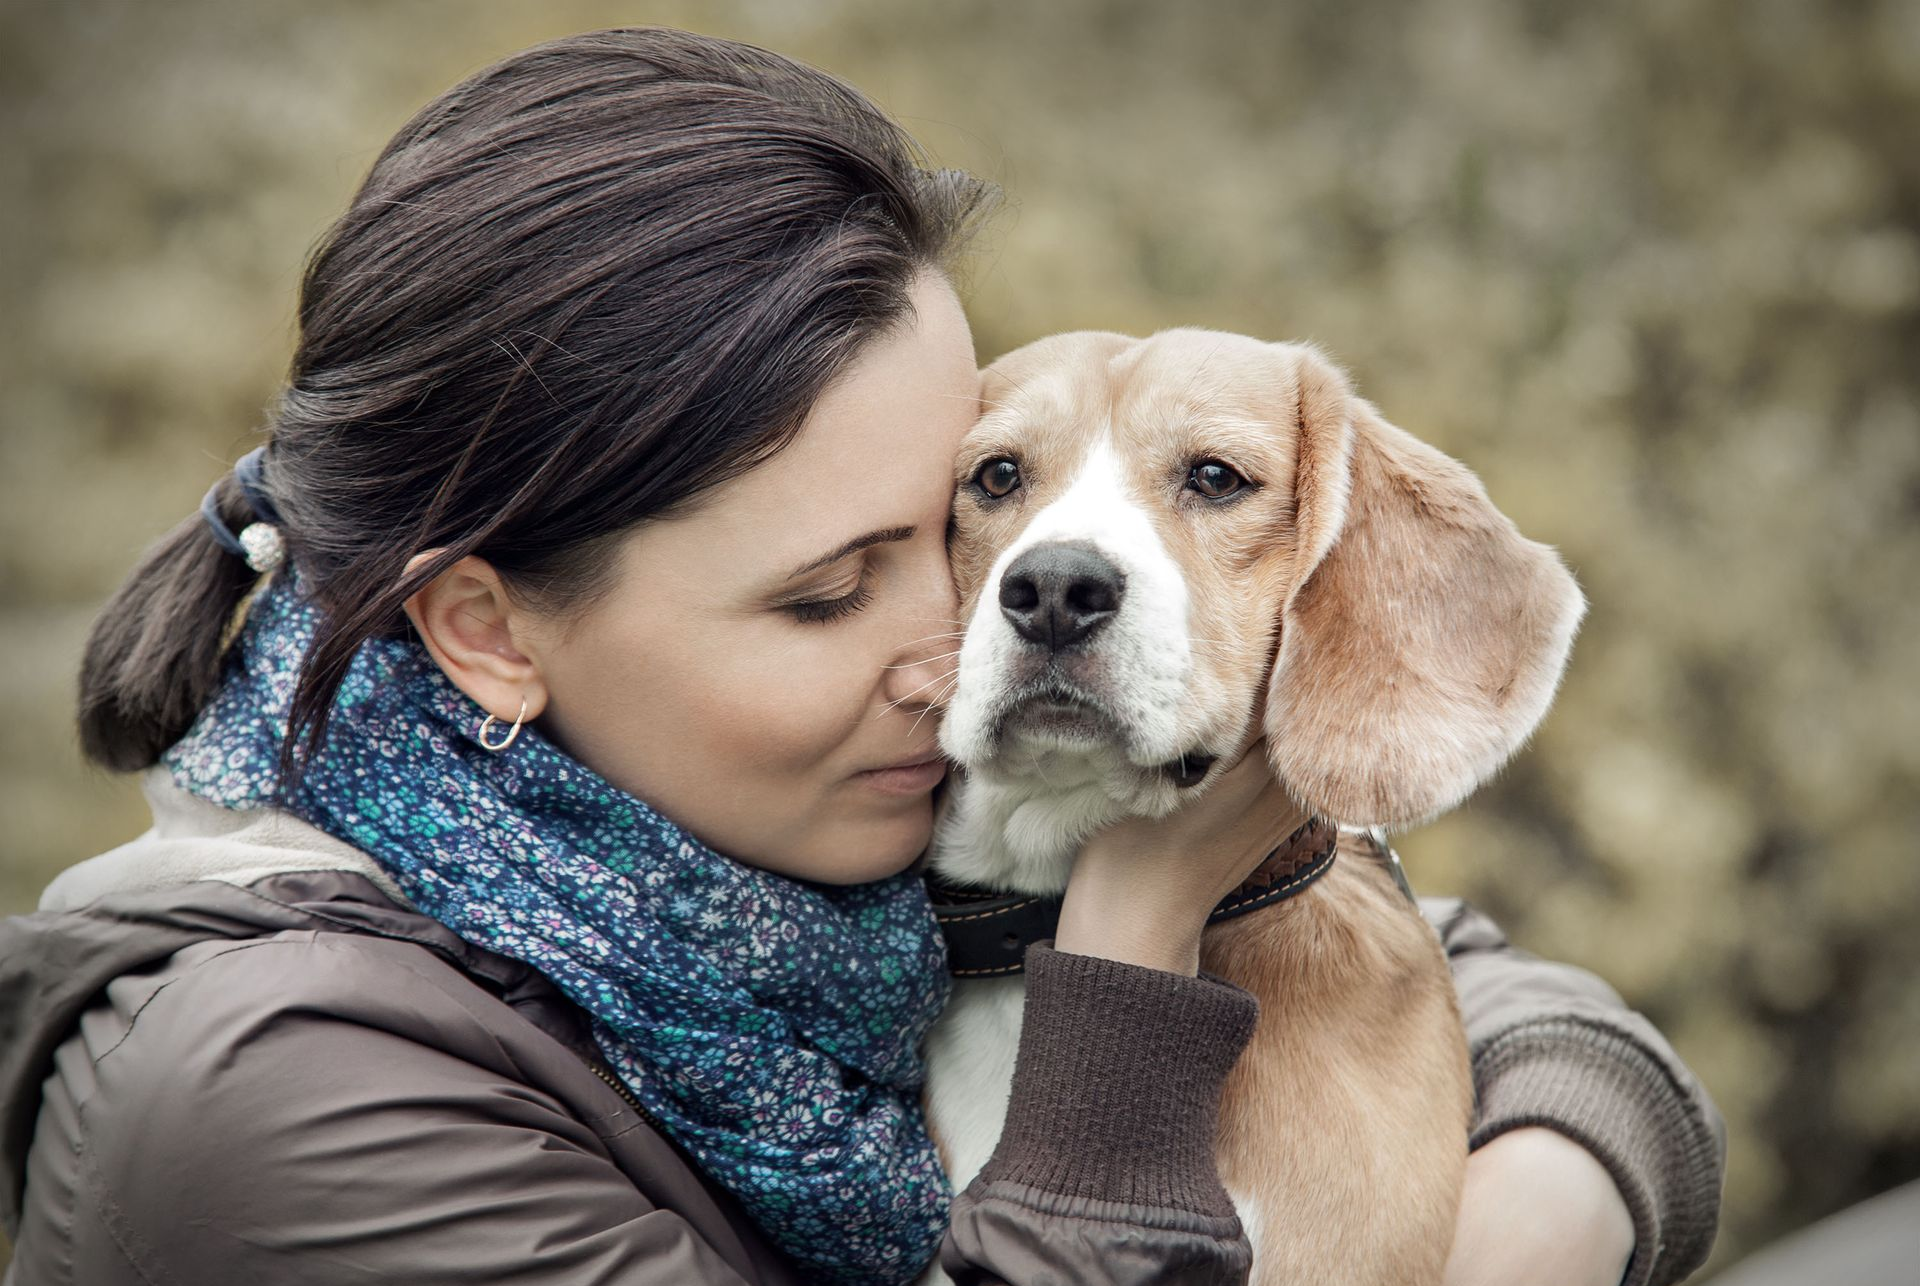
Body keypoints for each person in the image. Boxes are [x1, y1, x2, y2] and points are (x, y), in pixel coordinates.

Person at [0, 26, 1723, 1286]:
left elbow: (1444, 962)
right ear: (485, 628)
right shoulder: (279, 1104)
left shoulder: (773, 842)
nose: (954, 645)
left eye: (948, 534)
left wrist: (1542, 1203)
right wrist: (1124, 948)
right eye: (830, 593)